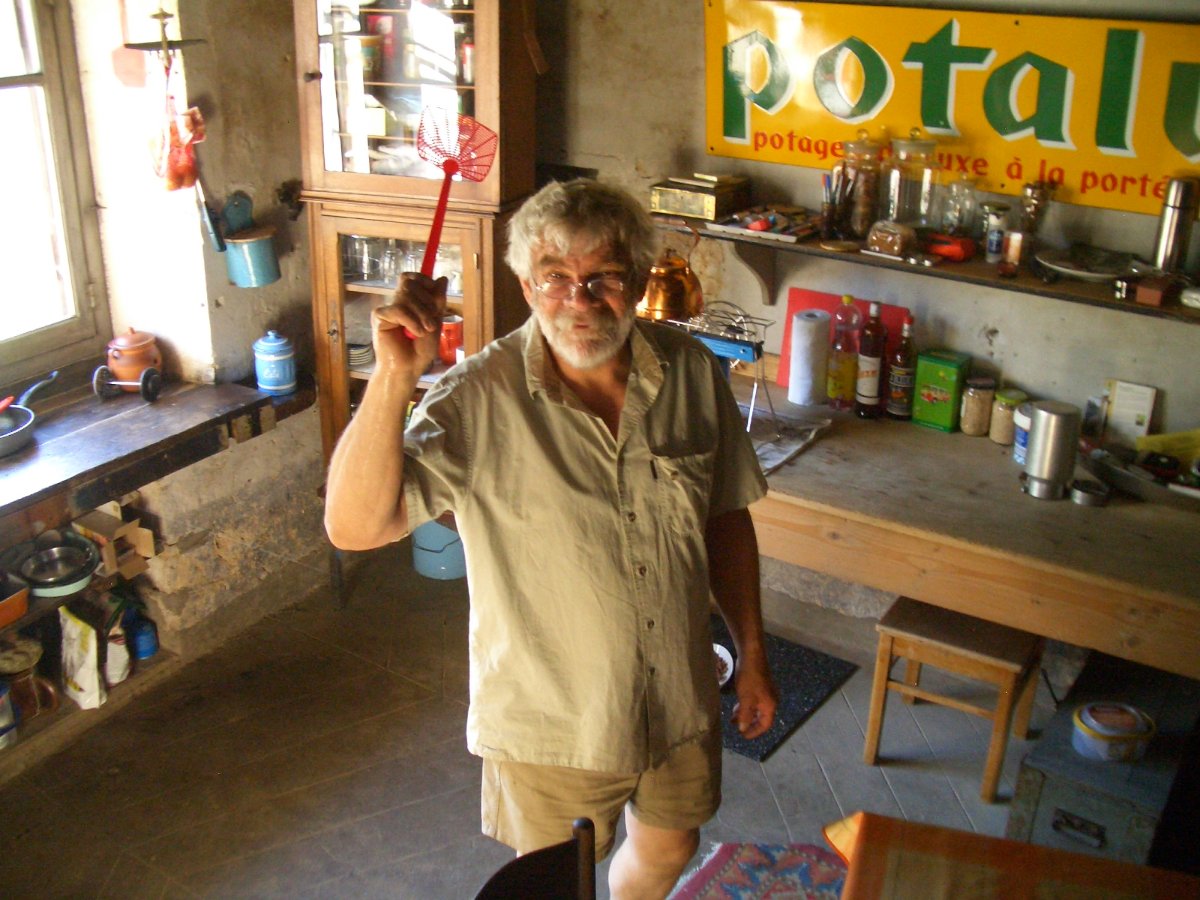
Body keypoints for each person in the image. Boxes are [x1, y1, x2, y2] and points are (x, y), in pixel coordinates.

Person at [324, 179, 778, 899]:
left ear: (639, 281)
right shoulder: (477, 396)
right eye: (555, 278)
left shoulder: (690, 371)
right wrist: (392, 378)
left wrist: (752, 651)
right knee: (556, 884)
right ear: (525, 286)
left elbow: (724, 516)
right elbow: (354, 525)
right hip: (555, 718)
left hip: (678, 690)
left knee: (672, 844)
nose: (580, 300)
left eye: (604, 278)